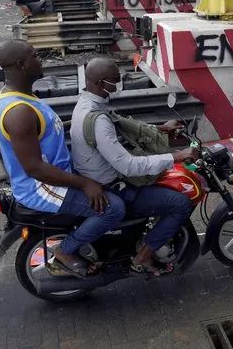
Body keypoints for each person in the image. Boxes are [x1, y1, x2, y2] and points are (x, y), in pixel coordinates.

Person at [0, 40, 125, 278]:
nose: (40, 59)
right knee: (113, 208)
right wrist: (85, 183)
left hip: (55, 175)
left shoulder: (25, 97)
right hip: (41, 187)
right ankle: (65, 252)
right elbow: (34, 168)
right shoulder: (19, 111)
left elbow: (45, 132)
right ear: (22, 64)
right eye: (35, 56)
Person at [70, 57, 199, 276]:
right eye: (116, 79)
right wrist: (177, 155)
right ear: (102, 83)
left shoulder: (87, 104)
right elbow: (128, 166)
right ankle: (143, 256)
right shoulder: (97, 119)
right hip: (113, 185)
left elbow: (122, 123)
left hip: (98, 175)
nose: (119, 83)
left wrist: (160, 129)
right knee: (180, 204)